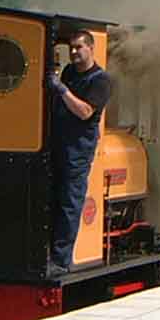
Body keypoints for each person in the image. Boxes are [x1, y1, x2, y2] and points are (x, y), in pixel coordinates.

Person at [47, 30, 112, 276]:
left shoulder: (101, 80)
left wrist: (62, 90)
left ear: (91, 48)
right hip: (57, 144)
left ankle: (61, 261)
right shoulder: (69, 72)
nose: (74, 52)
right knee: (52, 199)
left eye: (78, 47)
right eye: (71, 48)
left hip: (78, 150)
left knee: (70, 203)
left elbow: (85, 112)